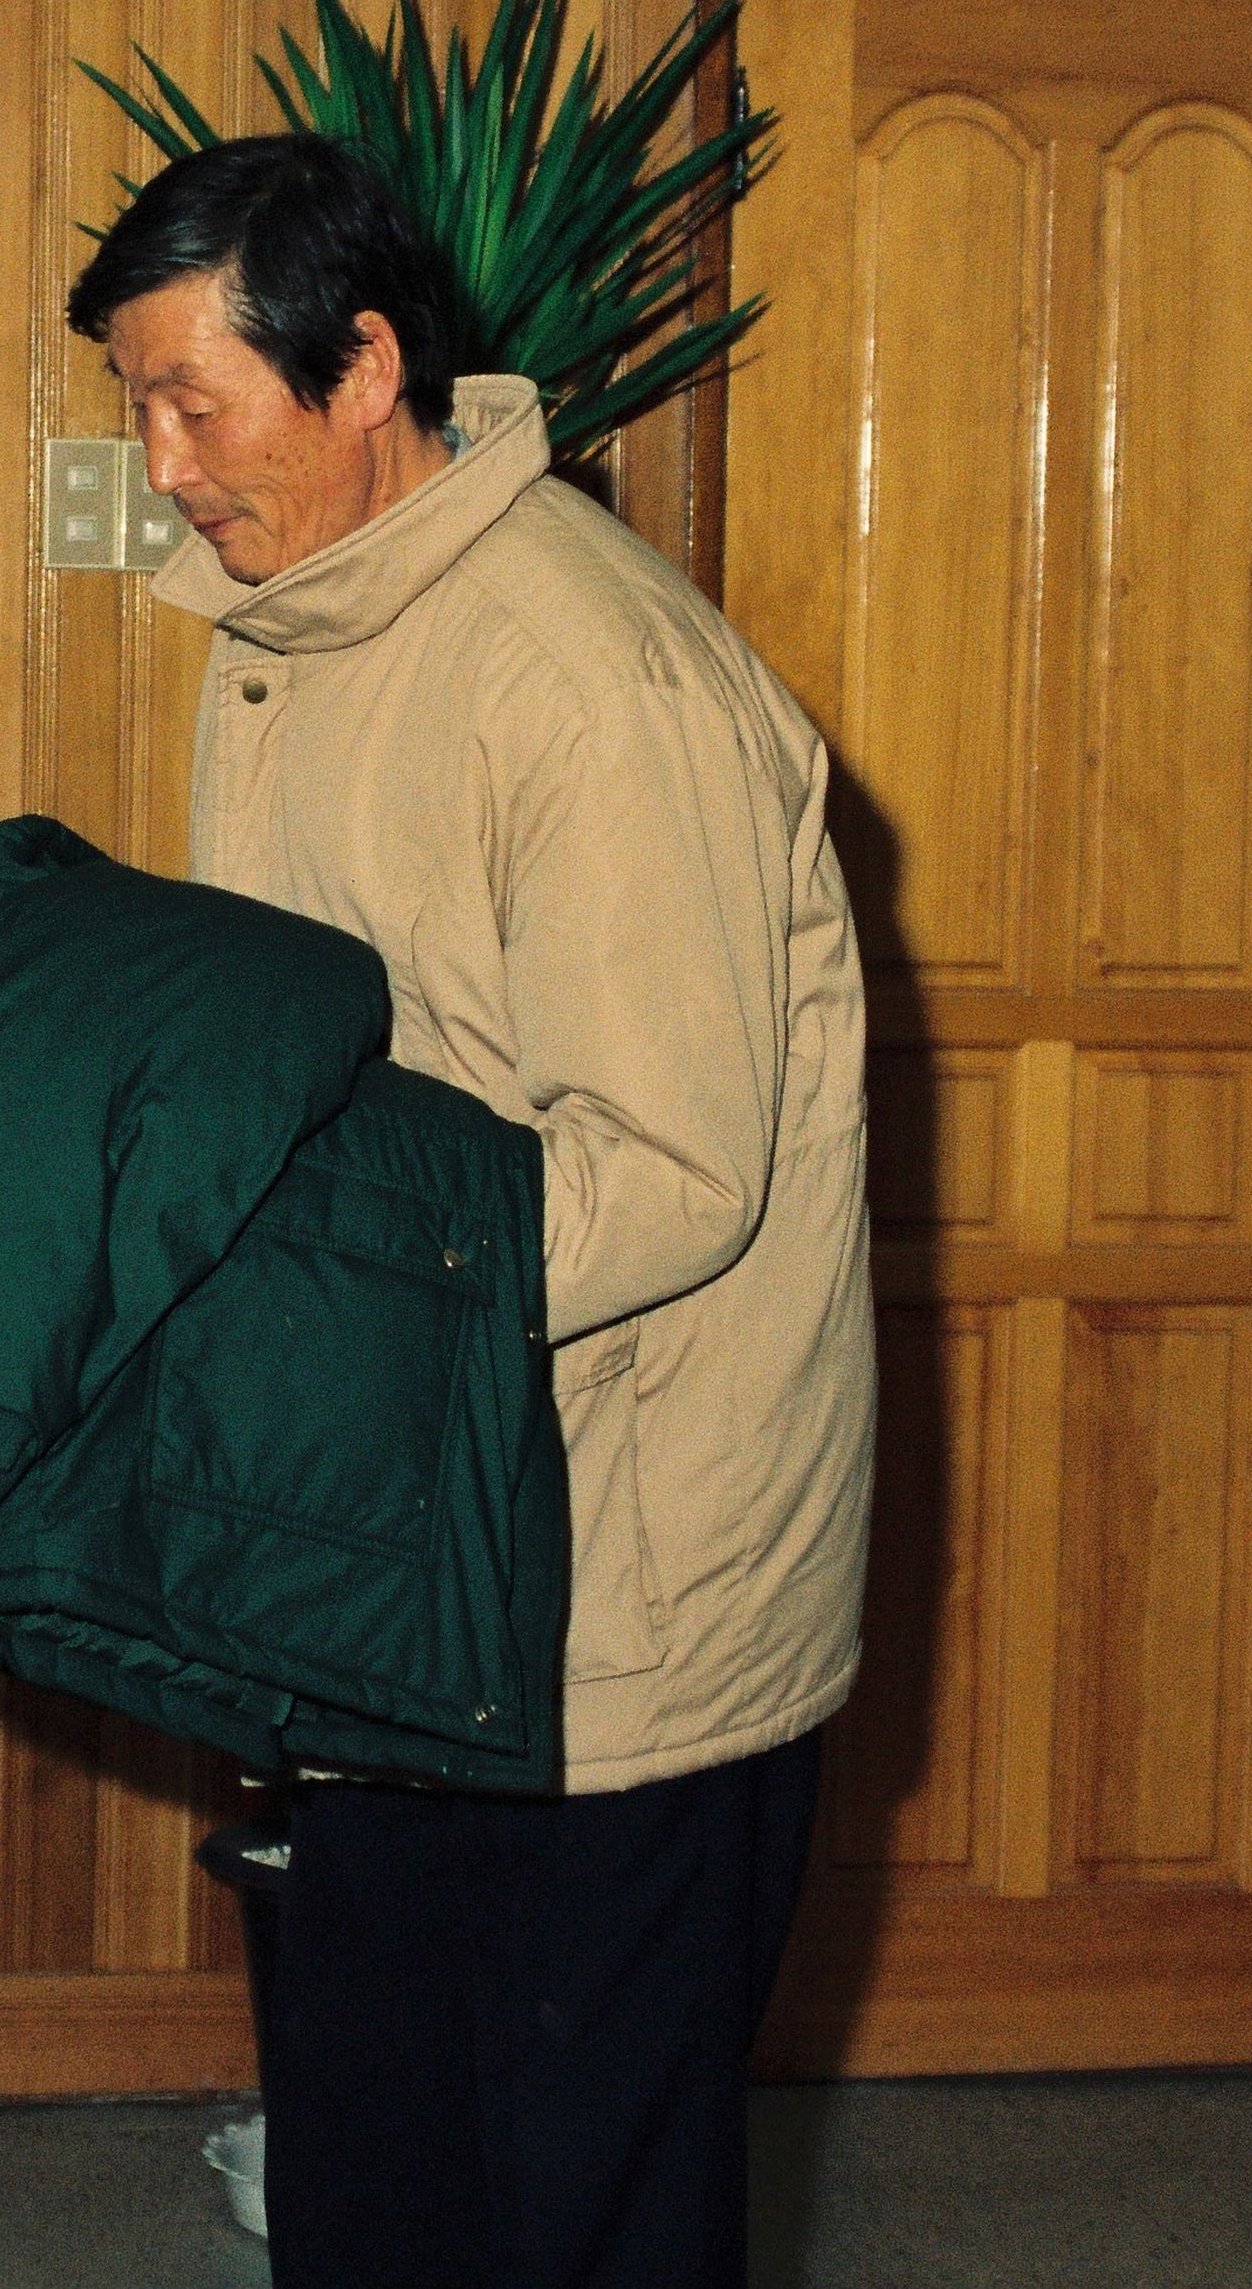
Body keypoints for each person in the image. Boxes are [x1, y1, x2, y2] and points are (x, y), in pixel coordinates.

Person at [68, 132, 876, 2287]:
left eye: (192, 403)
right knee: (381, 2186)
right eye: (138, 408)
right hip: (403, 1565)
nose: (161, 468)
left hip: (606, 1613)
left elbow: (667, 1171)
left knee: (576, 2213)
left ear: (362, 368)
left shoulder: (585, 675)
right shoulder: (311, 629)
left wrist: (280, 1296)